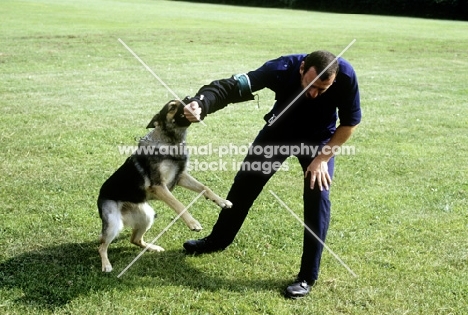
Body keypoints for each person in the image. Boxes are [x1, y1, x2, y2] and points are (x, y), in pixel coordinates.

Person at [181, 50, 361, 298]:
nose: (313, 93)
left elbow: (349, 123)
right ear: (301, 69)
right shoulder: (280, 68)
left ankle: (307, 276)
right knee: (245, 184)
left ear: (333, 79)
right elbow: (231, 87)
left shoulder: (346, 75)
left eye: (322, 89)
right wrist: (201, 103)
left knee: (317, 195)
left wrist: (322, 158)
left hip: (319, 141)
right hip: (278, 134)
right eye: (309, 85)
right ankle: (217, 240)